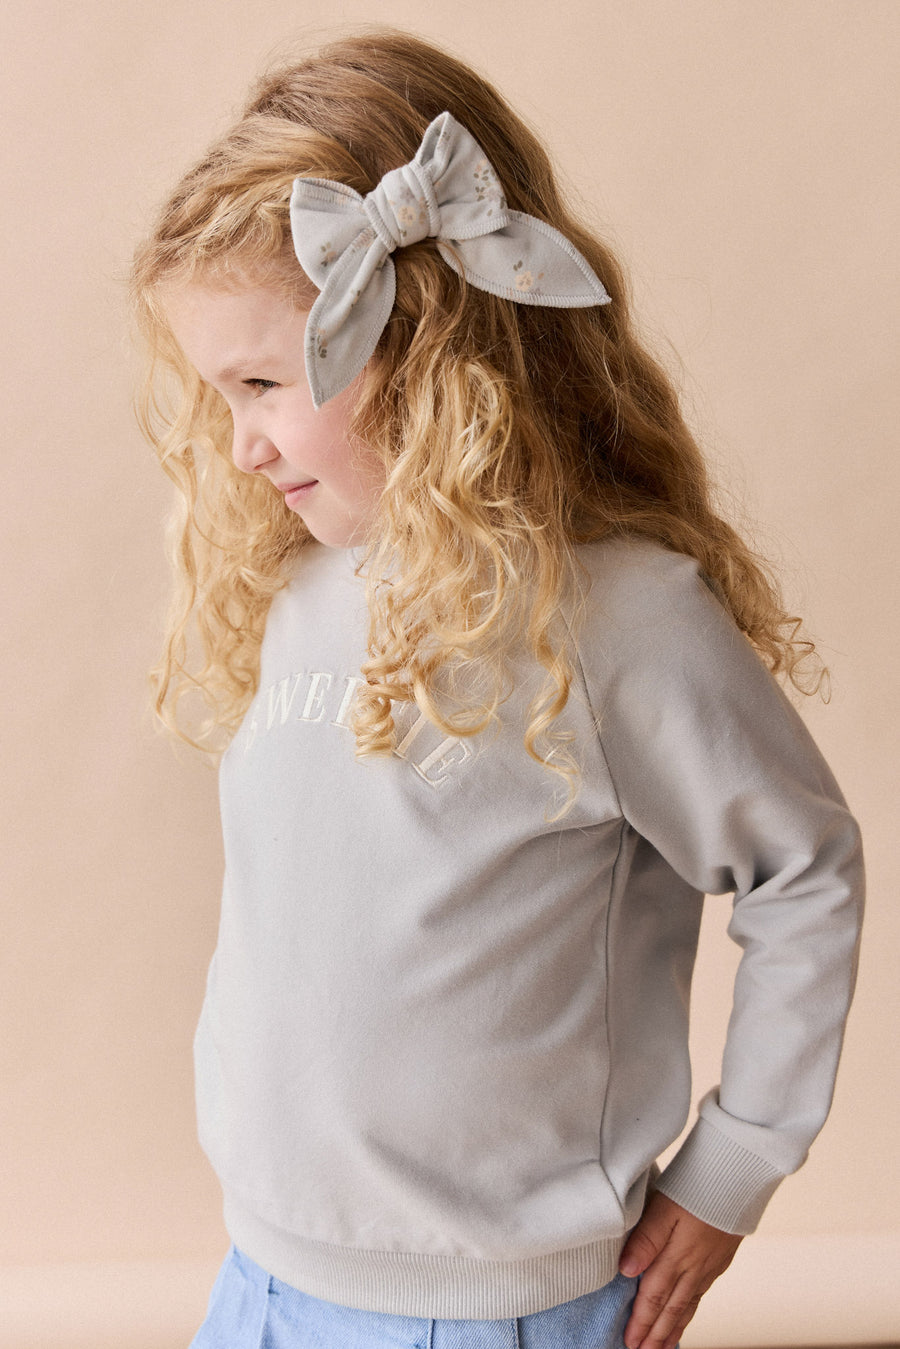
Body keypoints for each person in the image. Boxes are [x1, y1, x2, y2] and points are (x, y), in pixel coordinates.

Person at [131, 28, 864, 1349]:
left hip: (496, 1315)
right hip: (259, 1284)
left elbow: (802, 868)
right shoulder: (295, 583)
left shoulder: (616, 617)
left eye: (264, 384)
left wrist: (738, 1161)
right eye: (217, 393)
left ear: (419, 344)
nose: (238, 445)